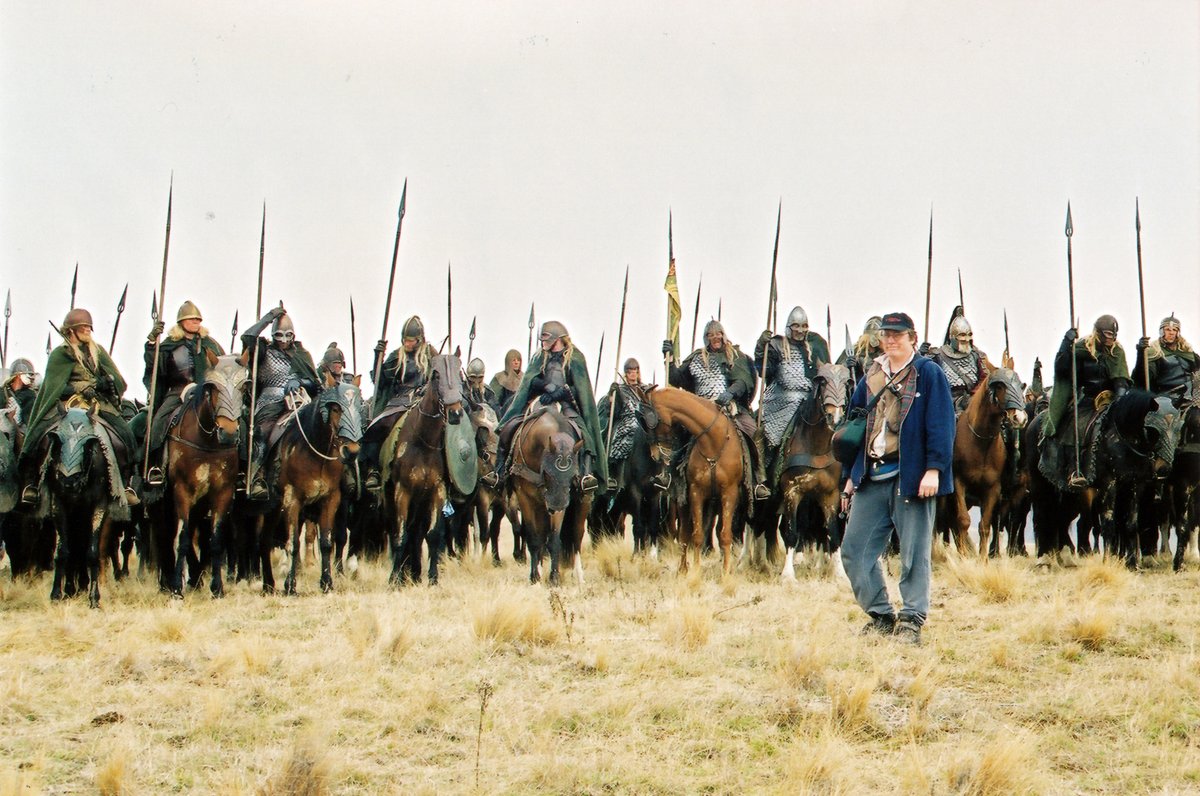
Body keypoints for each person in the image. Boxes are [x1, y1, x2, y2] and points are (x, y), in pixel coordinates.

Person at [838, 311, 955, 645]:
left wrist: (934, 469)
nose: (891, 340)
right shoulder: (871, 376)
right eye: (887, 335)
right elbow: (855, 427)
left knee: (914, 555)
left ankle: (912, 619)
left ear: (912, 339)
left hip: (911, 474)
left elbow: (941, 424)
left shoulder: (928, 374)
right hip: (872, 474)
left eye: (898, 335)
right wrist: (849, 475)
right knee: (854, 550)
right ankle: (880, 614)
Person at [19, 308, 142, 507]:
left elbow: (117, 379)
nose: (87, 329)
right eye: (83, 327)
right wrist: (79, 386)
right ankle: (31, 483)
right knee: (38, 434)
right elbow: (53, 385)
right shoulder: (60, 354)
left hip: (97, 403)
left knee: (125, 433)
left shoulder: (97, 351)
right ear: (71, 330)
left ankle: (127, 483)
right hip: (66, 403)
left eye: (88, 326)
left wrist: (106, 382)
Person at [485, 320, 607, 493]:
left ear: (558, 338)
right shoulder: (539, 356)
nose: (543, 344)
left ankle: (586, 475)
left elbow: (580, 388)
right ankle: (499, 472)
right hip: (542, 401)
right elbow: (530, 381)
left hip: (567, 404)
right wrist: (544, 385)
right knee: (509, 428)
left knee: (584, 434)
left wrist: (562, 391)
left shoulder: (575, 357)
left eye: (546, 340)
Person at [664, 319, 769, 500]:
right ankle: (671, 476)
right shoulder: (697, 357)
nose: (715, 337)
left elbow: (744, 380)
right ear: (706, 338)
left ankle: (758, 480)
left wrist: (730, 392)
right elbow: (676, 379)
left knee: (753, 432)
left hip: (729, 408)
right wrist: (670, 357)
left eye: (718, 333)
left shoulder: (734, 355)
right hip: (699, 410)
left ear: (723, 335)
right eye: (711, 335)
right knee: (677, 433)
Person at [1040, 314, 1131, 489]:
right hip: (1087, 399)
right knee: (1076, 425)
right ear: (1098, 332)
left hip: (1111, 400)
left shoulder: (1117, 351)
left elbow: (1121, 378)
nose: (1111, 338)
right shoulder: (1081, 348)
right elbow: (1062, 368)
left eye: (1114, 334)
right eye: (1108, 334)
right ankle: (1075, 470)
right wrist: (1066, 344)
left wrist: (1120, 399)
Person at [239, 305, 319, 499]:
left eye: (287, 335)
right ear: (274, 335)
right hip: (270, 399)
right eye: (279, 336)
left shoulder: (302, 354)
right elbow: (248, 338)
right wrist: (269, 317)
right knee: (263, 432)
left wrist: (300, 381)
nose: (283, 340)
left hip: (300, 400)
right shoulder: (263, 351)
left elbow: (316, 384)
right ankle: (257, 476)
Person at [143, 300, 225, 486]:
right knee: (157, 423)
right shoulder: (168, 344)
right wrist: (151, 343)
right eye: (191, 319)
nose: (196, 321)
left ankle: (240, 470)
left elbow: (222, 368)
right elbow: (154, 366)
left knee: (234, 422)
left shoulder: (210, 344)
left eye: (198, 319)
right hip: (177, 392)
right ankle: (153, 466)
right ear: (181, 321)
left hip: (206, 393)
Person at [358, 315, 438, 492]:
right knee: (377, 427)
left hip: (423, 401)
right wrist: (378, 357)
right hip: (399, 401)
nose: (408, 344)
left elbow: (439, 379)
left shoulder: (431, 355)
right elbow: (380, 380)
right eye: (405, 340)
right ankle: (373, 470)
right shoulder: (397, 355)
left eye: (411, 341)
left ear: (420, 339)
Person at [755, 306, 831, 485]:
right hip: (781, 400)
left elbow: (827, 372)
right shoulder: (776, 345)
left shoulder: (816, 344)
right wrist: (761, 348)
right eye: (796, 326)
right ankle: (763, 476)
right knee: (767, 436)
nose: (800, 330)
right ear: (789, 327)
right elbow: (763, 371)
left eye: (804, 326)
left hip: (811, 399)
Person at [598, 357, 654, 491]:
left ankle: (660, 473)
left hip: (643, 421)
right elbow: (614, 412)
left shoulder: (645, 389)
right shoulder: (621, 390)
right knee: (621, 436)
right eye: (630, 371)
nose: (633, 374)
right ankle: (612, 472)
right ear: (626, 373)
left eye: (635, 370)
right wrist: (612, 397)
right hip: (626, 420)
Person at [922, 308, 991, 412]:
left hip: (972, 402)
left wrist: (974, 395)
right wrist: (921, 354)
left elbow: (985, 378)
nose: (966, 339)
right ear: (953, 337)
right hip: (944, 402)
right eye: (962, 335)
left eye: (969, 335)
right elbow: (923, 372)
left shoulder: (977, 355)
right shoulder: (937, 355)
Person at [1133, 314, 1197, 402]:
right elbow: (1143, 378)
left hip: (1191, 394)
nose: (1171, 332)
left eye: (1174, 330)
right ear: (1162, 331)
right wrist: (1141, 353)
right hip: (1168, 397)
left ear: (1178, 333)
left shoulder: (1187, 351)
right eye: (1167, 329)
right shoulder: (1155, 352)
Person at [488, 349, 523, 416]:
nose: (516, 362)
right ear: (508, 362)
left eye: (518, 360)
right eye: (514, 360)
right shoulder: (500, 377)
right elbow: (493, 400)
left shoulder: (524, 378)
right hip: (503, 414)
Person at [3, 357, 38, 424]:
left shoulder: (30, 395)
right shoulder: (3, 393)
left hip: (21, 431)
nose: (31, 378)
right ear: (19, 375)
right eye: (29, 374)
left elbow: (29, 422)